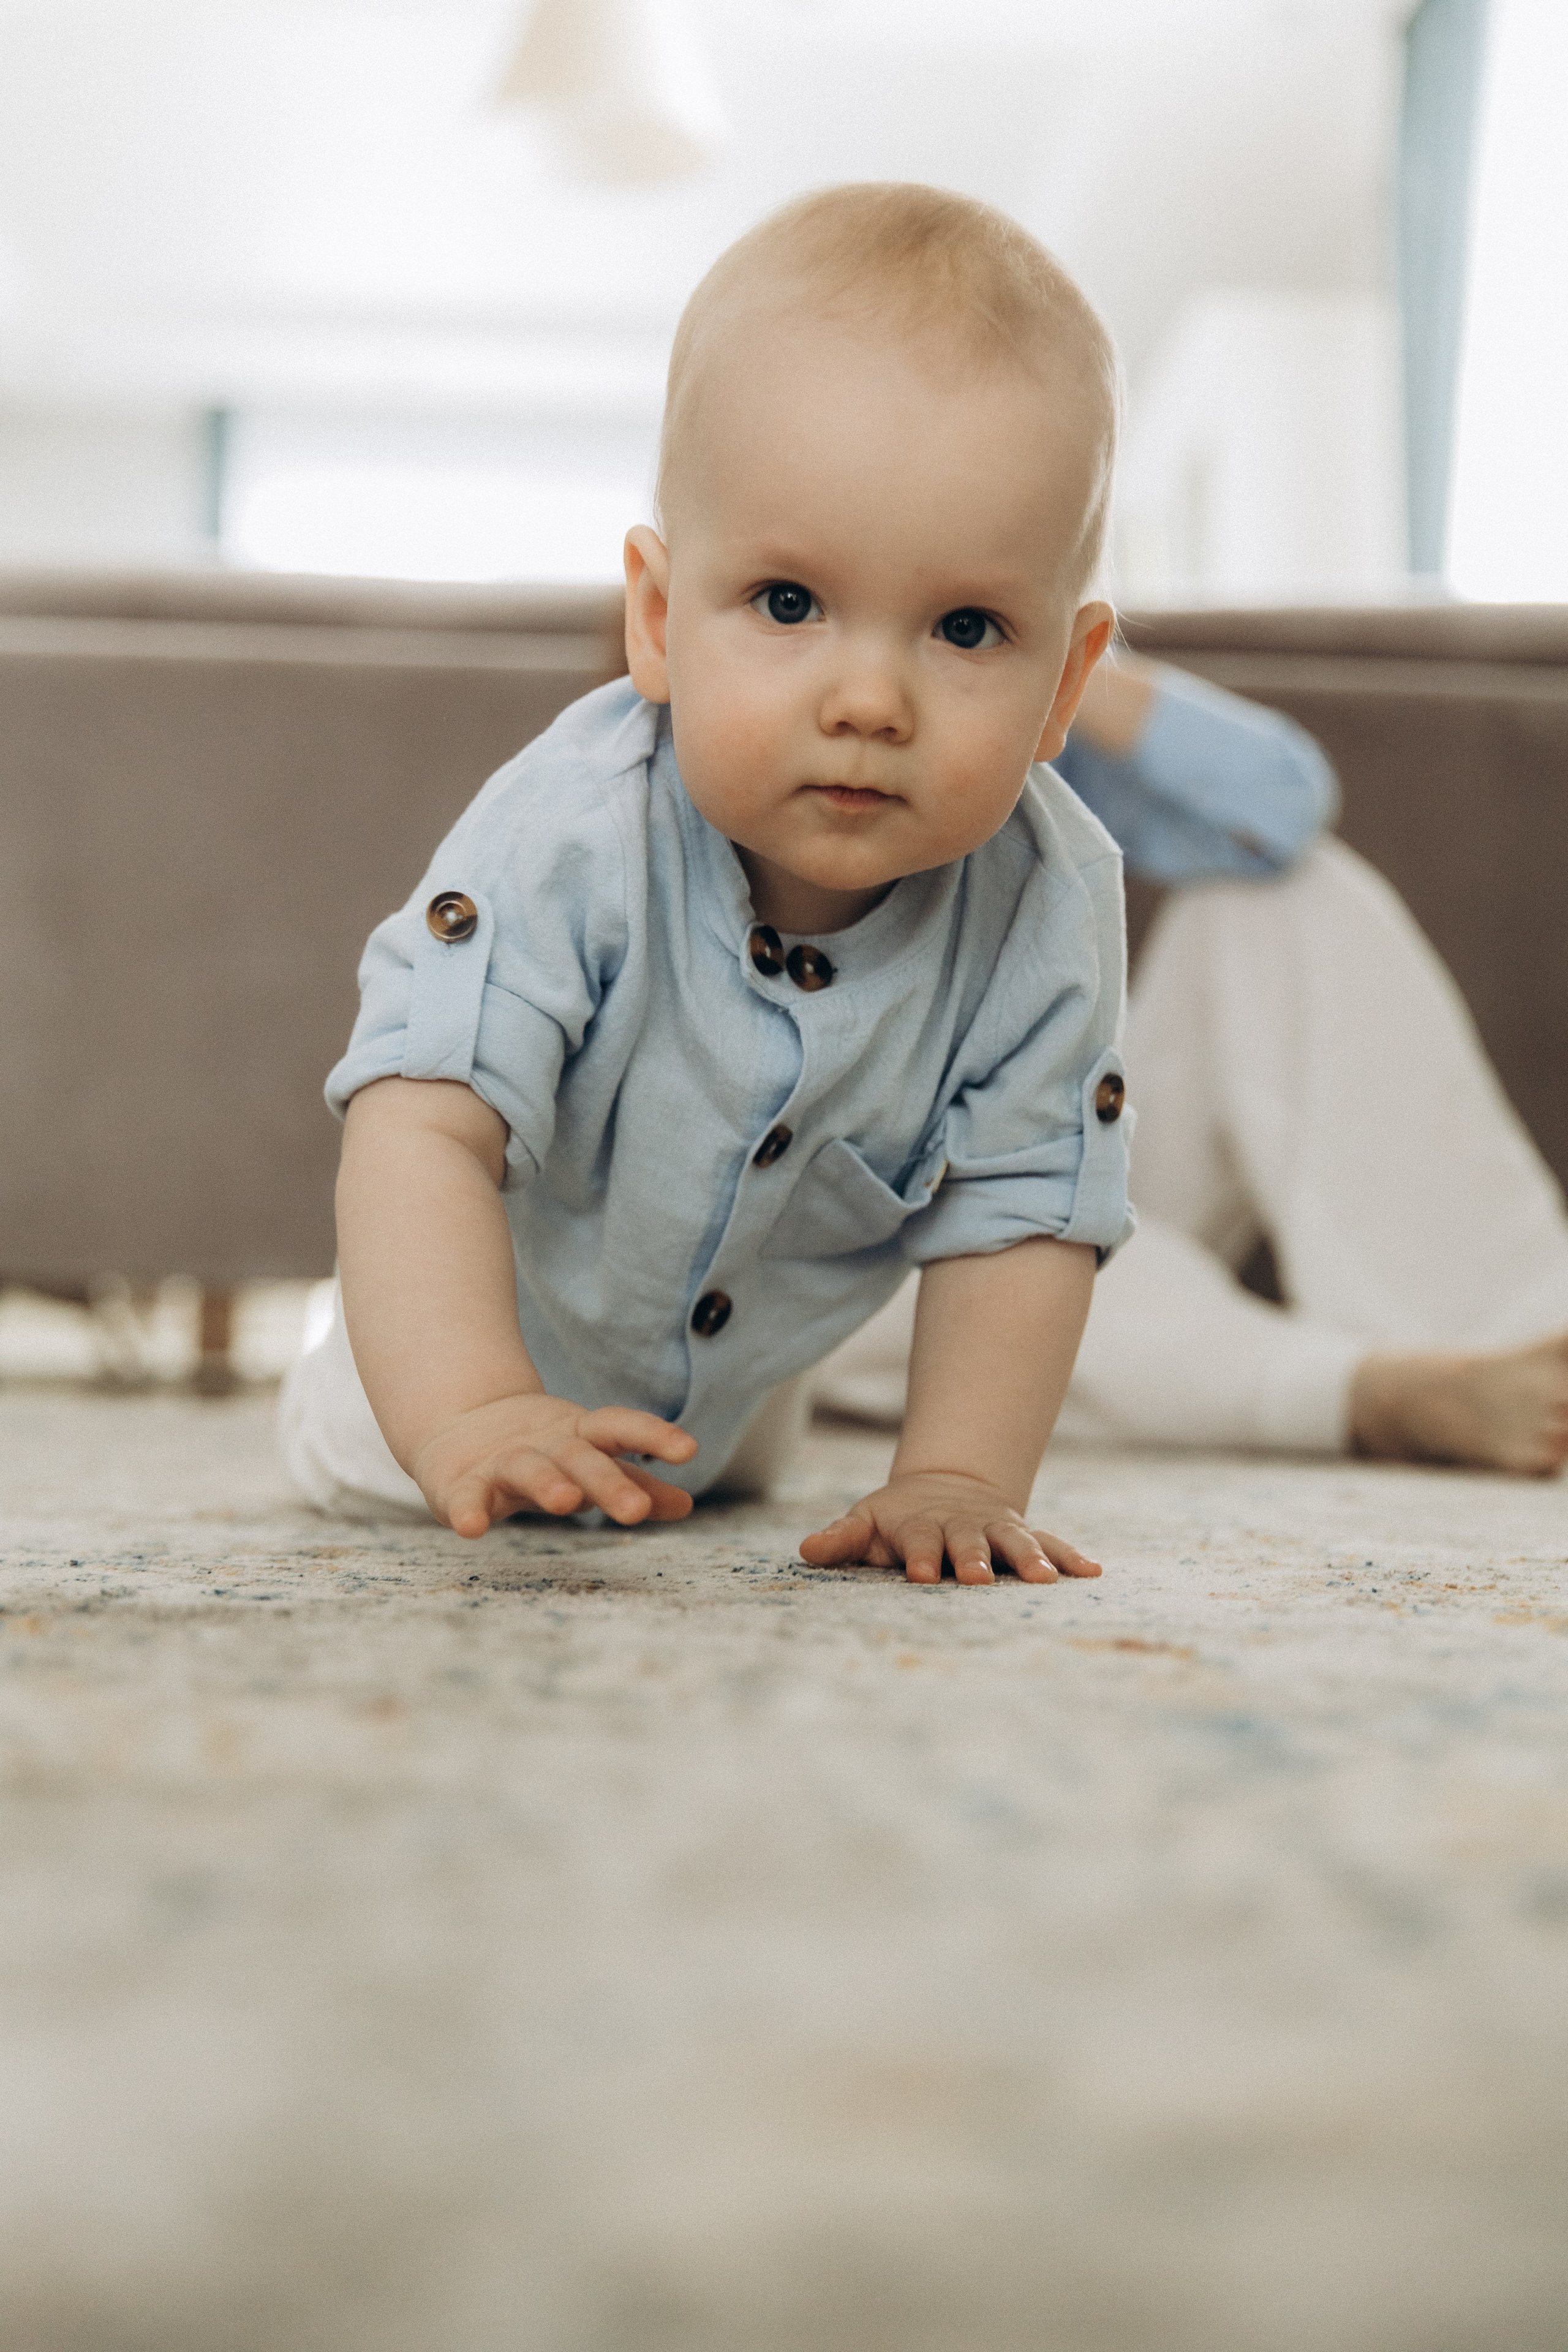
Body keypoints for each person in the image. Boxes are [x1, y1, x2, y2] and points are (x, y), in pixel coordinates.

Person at [278, 183, 1136, 1585]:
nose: (868, 698)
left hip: (728, 1435)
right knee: (393, 1454)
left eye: (965, 626)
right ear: (659, 619)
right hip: (419, 1391)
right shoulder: (571, 829)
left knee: (740, 1482)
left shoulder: (1045, 898)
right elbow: (419, 1125)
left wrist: (956, 1474)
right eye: (789, 605)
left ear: (1065, 683)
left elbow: (1026, 1208)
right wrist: (473, 1410)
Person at [815, 654, 1568, 1476]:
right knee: (1005, 1252)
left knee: (1283, 895)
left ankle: (1525, 1332)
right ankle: (1374, 1393)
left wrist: (1038, 645)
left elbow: (1280, 808)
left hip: (1044, 1140)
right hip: (842, 1231)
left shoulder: (1005, 716)